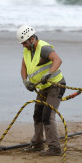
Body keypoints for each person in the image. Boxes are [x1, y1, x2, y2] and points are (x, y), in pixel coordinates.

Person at [17, 25, 66, 156]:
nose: (24, 46)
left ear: (32, 39)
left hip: (56, 86)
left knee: (47, 116)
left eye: (25, 43)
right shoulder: (27, 51)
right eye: (22, 44)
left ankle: (54, 148)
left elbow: (58, 60)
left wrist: (49, 74)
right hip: (43, 88)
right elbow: (24, 67)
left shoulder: (43, 48)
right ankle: (37, 144)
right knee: (37, 115)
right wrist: (25, 81)